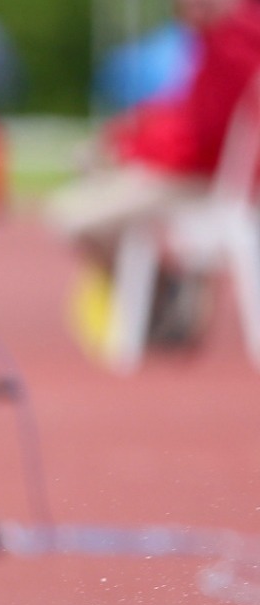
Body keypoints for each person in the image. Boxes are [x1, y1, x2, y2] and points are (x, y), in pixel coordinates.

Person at [48, 0, 260, 352]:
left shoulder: (235, 44)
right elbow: (191, 114)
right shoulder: (223, 38)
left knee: (71, 214)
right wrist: (131, 138)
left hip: (207, 180)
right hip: (204, 173)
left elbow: (206, 138)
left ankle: (165, 293)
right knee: (93, 177)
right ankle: (164, 294)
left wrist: (133, 150)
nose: (182, 13)